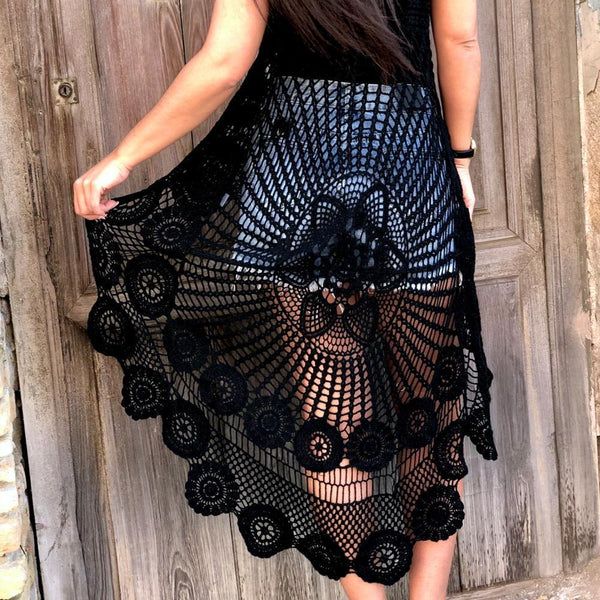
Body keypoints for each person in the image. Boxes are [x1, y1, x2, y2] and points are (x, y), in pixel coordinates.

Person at [73, 1, 497, 599]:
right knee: (432, 419)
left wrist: (121, 160)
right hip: (405, 172)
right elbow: (459, 40)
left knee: (330, 428)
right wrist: (459, 160)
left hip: (293, 191)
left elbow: (223, 64)